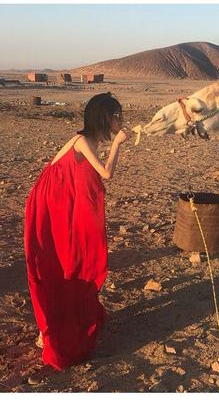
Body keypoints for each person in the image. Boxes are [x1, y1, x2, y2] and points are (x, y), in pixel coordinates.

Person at [24, 92, 133, 371]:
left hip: (62, 204)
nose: (119, 120)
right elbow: (105, 174)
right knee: (62, 263)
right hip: (50, 206)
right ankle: (49, 330)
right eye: (115, 115)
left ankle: (64, 316)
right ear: (102, 117)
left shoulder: (90, 142)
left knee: (74, 259)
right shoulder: (83, 141)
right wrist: (119, 144)